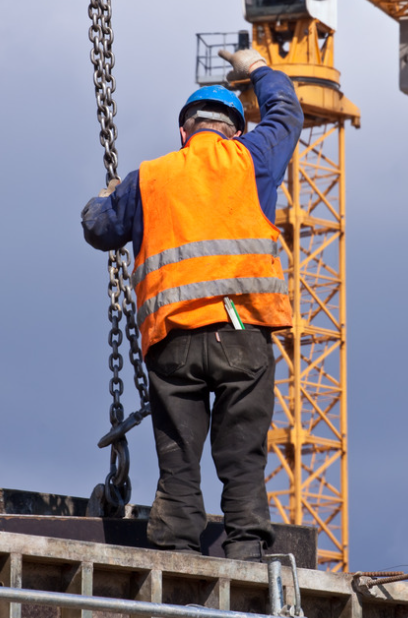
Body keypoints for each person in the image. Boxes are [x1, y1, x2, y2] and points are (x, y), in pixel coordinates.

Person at [81, 48, 304, 562]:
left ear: (185, 132)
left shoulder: (151, 177)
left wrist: (107, 196)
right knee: (242, 454)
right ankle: (246, 548)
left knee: (178, 456)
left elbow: (99, 228)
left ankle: (177, 551)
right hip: (242, 336)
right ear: (234, 128)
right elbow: (287, 112)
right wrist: (258, 70)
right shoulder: (255, 157)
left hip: (174, 341)